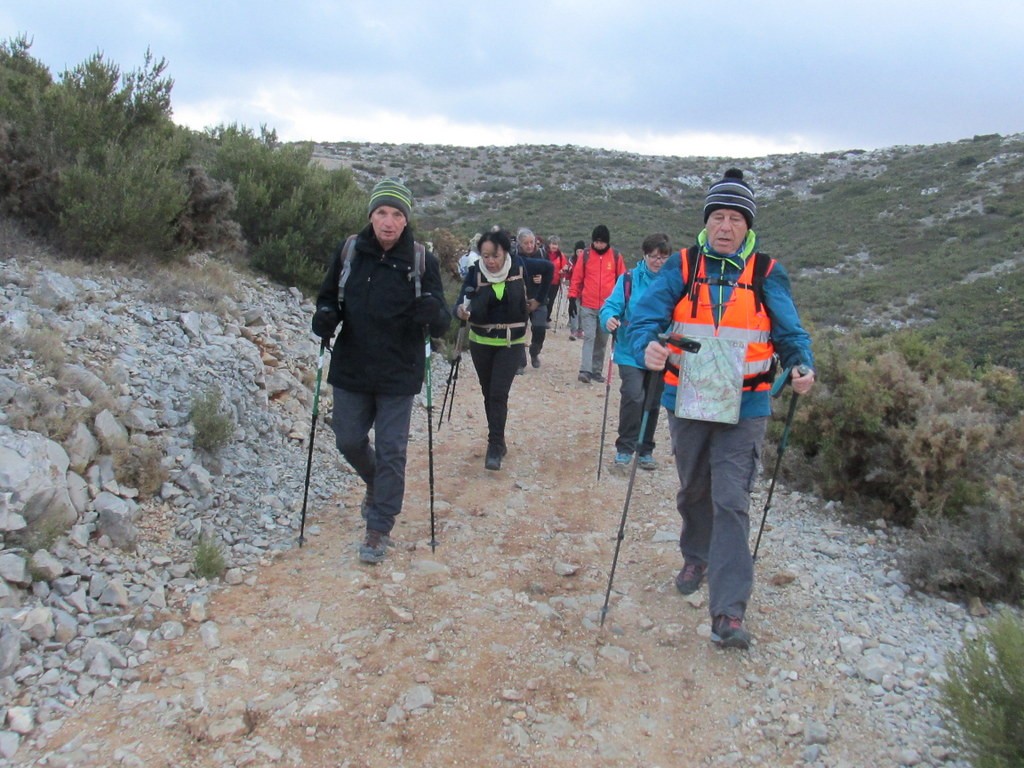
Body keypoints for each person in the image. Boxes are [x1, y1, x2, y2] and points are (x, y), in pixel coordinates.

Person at [628, 168, 815, 650]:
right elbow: (646, 315)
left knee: (731, 499)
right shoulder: (683, 266)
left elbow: (789, 331)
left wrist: (800, 365)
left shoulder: (767, 272)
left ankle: (728, 611)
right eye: (718, 217)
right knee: (694, 487)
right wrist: (648, 343)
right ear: (707, 221)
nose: (726, 226)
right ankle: (696, 554)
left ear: (748, 226)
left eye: (735, 218)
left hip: (747, 405)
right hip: (686, 399)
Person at [311, 178, 451, 564]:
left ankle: (379, 526)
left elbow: (442, 320)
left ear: (406, 220)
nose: (388, 222)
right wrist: (324, 317)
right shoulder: (349, 252)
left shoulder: (423, 261)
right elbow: (328, 299)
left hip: (398, 371)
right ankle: (374, 481)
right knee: (348, 440)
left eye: (396, 214)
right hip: (352, 367)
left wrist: (434, 314)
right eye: (381, 213)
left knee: (392, 450)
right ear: (371, 216)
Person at [454, 230, 552, 470]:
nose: (490, 261)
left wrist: (538, 299)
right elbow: (460, 302)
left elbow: (549, 268)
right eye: (485, 255)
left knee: (498, 393)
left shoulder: (520, 265)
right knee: (488, 393)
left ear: (504, 252)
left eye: (494, 255)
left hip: (511, 342)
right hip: (480, 342)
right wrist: (460, 311)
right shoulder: (476, 272)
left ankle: (494, 445)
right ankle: (498, 439)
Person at [599, 233, 671, 472]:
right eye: (653, 256)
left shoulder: (674, 282)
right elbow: (610, 306)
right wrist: (608, 318)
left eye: (663, 257)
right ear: (644, 255)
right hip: (630, 349)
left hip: (661, 350)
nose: (658, 261)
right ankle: (625, 448)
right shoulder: (629, 279)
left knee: (652, 399)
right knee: (634, 395)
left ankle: (645, 449)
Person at [568, 225, 626, 383]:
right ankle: (585, 370)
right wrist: (572, 297)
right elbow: (577, 277)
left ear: (608, 242)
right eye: (597, 241)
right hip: (588, 305)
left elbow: (622, 281)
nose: (599, 245)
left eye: (602, 242)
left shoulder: (615, 256)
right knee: (589, 337)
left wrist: (623, 304)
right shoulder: (585, 255)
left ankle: (596, 370)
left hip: (608, 308)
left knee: (602, 341)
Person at [515, 228, 552, 371]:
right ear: (520, 244)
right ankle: (520, 362)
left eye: (532, 242)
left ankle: (534, 351)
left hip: (539, 298)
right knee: (518, 331)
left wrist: (543, 278)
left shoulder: (542, 254)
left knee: (540, 328)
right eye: (526, 243)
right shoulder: (514, 256)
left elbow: (550, 274)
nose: (530, 246)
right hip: (519, 299)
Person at [544, 236, 571, 329]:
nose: (554, 246)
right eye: (553, 244)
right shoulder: (544, 253)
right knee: (543, 300)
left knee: (550, 301)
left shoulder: (561, 255)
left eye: (556, 244)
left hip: (555, 282)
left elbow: (565, 266)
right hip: (544, 281)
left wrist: (564, 270)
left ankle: (546, 318)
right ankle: (540, 318)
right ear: (549, 244)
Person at [567, 240, 586, 340]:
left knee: (583, 312)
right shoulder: (571, 262)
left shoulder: (588, 261)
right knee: (575, 310)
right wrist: (566, 271)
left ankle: (580, 330)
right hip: (574, 290)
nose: (580, 253)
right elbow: (568, 276)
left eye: (582, 251)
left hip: (585, 291)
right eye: (578, 251)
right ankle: (573, 331)